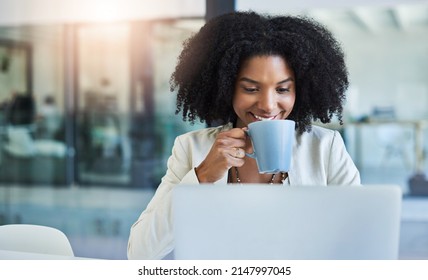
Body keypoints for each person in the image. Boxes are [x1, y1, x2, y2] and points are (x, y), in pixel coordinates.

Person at [127, 11, 361, 260]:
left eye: (282, 89)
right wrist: (202, 176)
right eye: (250, 88)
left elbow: (361, 238)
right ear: (226, 87)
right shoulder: (191, 148)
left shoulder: (325, 149)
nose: (268, 105)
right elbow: (140, 254)